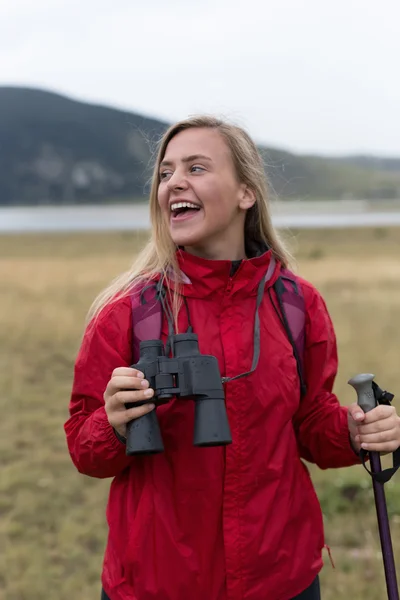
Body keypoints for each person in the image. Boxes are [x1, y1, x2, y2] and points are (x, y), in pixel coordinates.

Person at [64, 116, 400, 600]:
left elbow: (308, 420)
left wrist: (353, 430)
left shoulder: (296, 304)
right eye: (166, 173)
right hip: (160, 583)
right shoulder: (126, 313)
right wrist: (113, 425)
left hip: (279, 577)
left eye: (196, 168)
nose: (174, 182)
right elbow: (82, 445)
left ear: (247, 193)